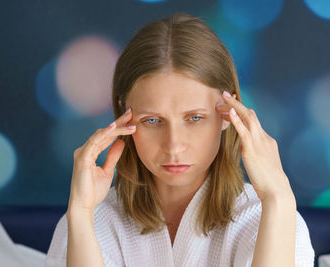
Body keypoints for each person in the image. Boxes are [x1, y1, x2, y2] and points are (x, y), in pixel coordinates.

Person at [45, 13, 315, 267]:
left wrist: (278, 197)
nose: (174, 146)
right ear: (123, 114)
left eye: (195, 118)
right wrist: (80, 213)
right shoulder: (90, 219)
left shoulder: (270, 215)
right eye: (152, 121)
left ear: (227, 114)